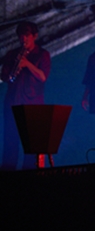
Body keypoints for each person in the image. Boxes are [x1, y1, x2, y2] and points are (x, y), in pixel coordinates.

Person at [1, 21, 51, 170]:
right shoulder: (12, 54)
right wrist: (12, 68)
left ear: (34, 36)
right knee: (10, 144)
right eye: (21, 36)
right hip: (12, 103)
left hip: (33, 105)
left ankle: (29, 176)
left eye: (27, 35)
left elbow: (43, 76)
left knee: (32, 147)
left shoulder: (42, 54)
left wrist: (27, 64)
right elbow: (5, 77)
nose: (24, 39)